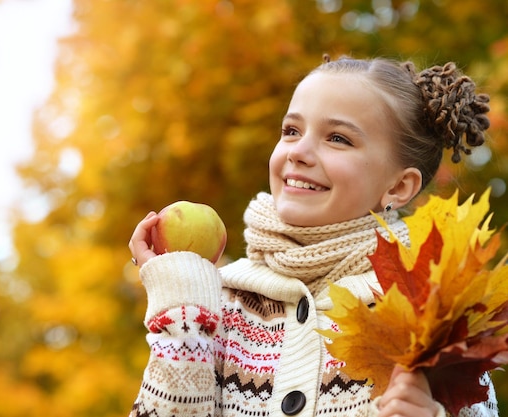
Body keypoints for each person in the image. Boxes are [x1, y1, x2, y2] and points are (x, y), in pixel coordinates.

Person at [128, 55, 497, 417]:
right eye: (291, 131)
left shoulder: (431, 317)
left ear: (399, 187)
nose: (299, 152)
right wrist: (181, 316)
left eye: (337, 138)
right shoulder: (215, 304)